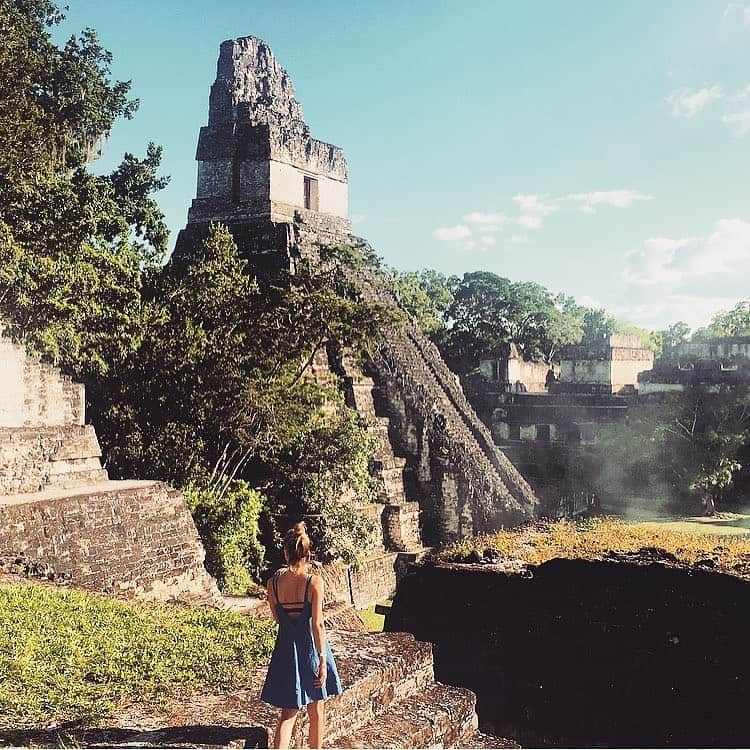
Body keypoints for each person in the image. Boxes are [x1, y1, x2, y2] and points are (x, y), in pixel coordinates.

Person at [260, 522, 343, 749]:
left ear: (286, 552)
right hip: (310, 651)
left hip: (287, 650)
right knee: (317, 711)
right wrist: (323, 661)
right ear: (307, 555)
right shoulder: (314, 583)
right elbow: (317, 624)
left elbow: (278, 618)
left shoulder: (273, 584)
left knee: (288, 714)